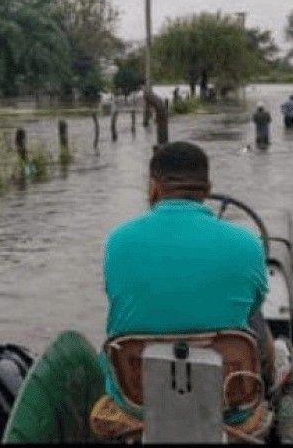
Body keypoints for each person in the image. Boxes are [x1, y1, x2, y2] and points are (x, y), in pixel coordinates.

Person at [91, 141, 270, 438]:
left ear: (153, 187)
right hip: (229, 408)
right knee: (257, 325)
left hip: (138, 405)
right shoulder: (248, 244)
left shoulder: (118, 241)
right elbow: (253, 309)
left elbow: (117, 298)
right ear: (207, 188)